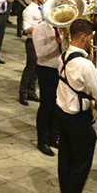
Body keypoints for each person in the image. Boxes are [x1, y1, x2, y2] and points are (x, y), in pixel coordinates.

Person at [55, 18, 97, 193]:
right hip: (78, 119)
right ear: (84, 36)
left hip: (62, 114)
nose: (91, 40)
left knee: (65, 159)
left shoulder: (63, 55)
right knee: (80, 163)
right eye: (90, 37)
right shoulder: (85, 64)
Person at [33, 8, 62, 156]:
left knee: (58, 105)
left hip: (60, 69)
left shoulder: (63, 27)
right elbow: (40, 53)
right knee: (46, 105)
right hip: (46, 70)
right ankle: (42, 140)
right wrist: (56, 42)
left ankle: (53, 136)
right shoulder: (40, 29)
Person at [18, 0, 45, 106]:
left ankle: (31, 91)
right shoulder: (29, 10)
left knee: (37, 68)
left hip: (41, 41)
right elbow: (26, 29)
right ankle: (22, 94)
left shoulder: (41, 8)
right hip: (32, 41)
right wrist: (40, 30)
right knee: (30, 68)